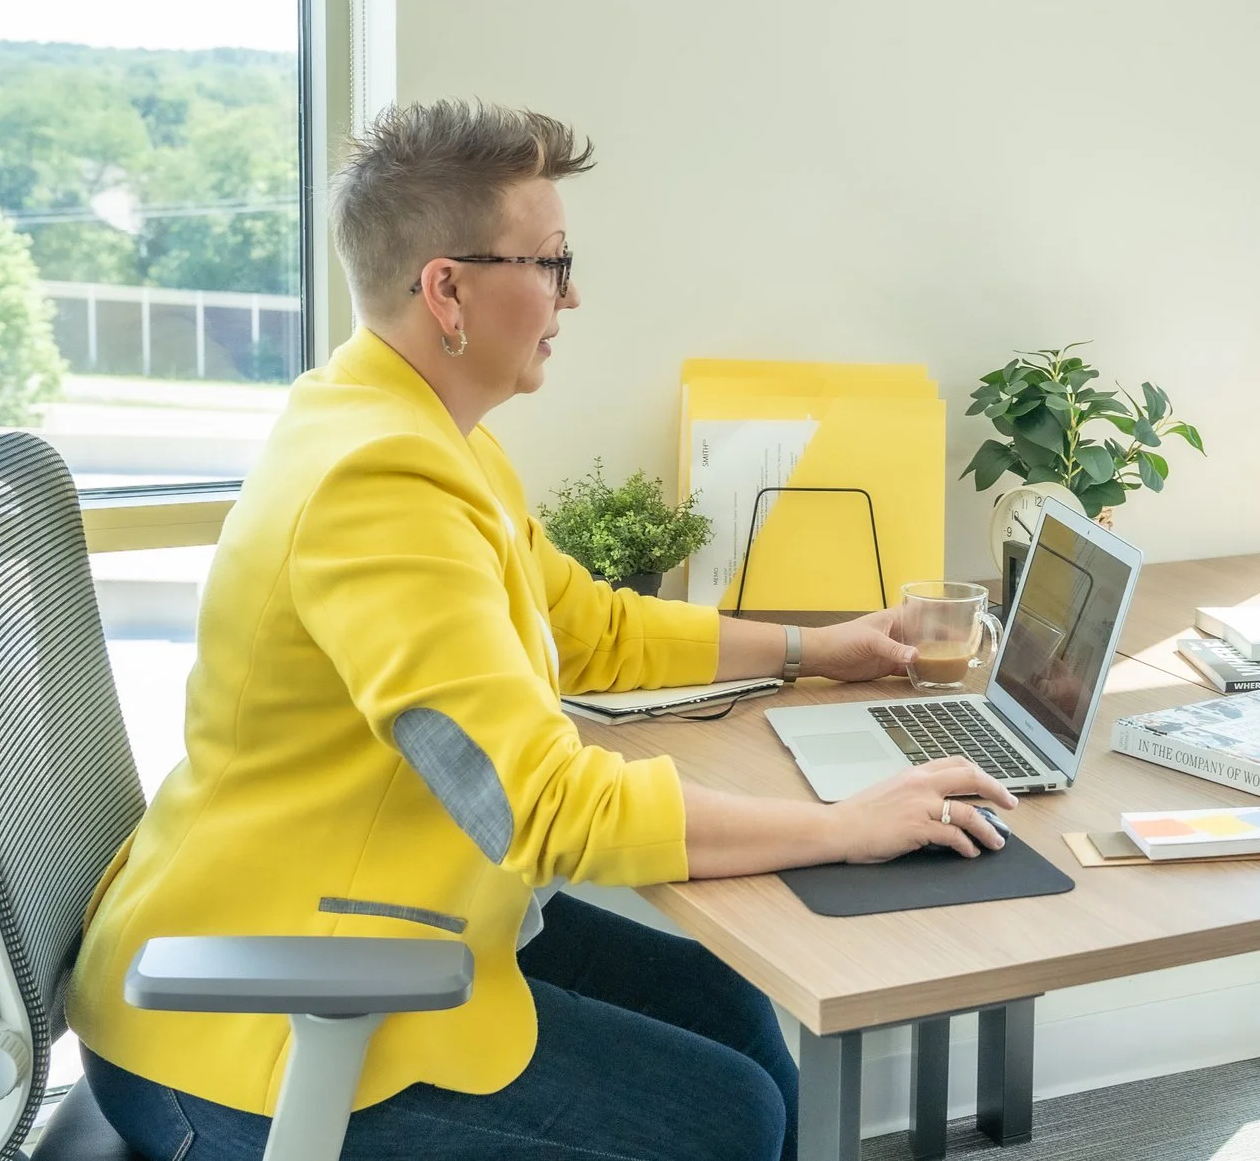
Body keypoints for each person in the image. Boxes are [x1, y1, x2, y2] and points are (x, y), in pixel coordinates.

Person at [65, 102, 1011, 1161]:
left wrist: (813, 647)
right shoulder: (378, 483)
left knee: (730, 1011)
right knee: (723, 1118)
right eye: (552, 261)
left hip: (370, 920)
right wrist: (843, 824)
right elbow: (541, 804)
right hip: (238, 1031)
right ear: (448, 288)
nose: (572, 293)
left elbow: (588, 625)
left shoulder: (421, 430)